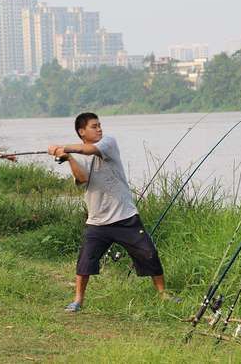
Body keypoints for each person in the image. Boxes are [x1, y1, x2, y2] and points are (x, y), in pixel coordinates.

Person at [48, 112, 168, 313]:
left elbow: (90, 150)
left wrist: (63, 147)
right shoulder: (78, 155)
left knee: (149, 254)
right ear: (82, 131)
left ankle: (163, 294)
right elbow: (82, 178)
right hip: (97, 221)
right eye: (94, 126)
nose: (99, 129)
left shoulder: (108, 143)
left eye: (100, 125)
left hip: (125, 216)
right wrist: (68, 158)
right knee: (85, 261)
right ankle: (78, 300)